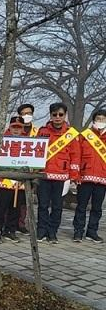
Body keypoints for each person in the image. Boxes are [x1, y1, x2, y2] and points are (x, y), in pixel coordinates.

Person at [37, 102, 80, 243]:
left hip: (62, 177)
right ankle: (41, 231)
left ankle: (52, 232)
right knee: (43, 205)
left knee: (57, 206)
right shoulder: (42, 131)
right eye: (54, 114)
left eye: (60, 114)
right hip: (44, 174)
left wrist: (74, 176)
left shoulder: (71, 134)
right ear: (50, 115)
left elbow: (75, 156)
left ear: (65, 115)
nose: (57, 117)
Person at [73, 108, 106, 243]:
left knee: (97, 208)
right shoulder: (85, 136)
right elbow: (77, 156)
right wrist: (76, 174)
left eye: (103, 119)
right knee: (81, 206)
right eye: (98, 119)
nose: (100, 121)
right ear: (93, 120)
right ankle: (78, 231)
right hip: (85, 177)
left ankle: (92, 232)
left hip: (102, 179)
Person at [0, 117, 26, 243]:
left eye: (19, 127)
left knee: (16, 207)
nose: (16, 130)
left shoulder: (27, 142)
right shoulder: (2, 140)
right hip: (5, 180)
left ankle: (10, 230)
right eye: (14, 127)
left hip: (20, 181)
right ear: (10, 127)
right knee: (1, 207)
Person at [15, 103, 38, 235]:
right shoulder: (15, 129)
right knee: (13, 198)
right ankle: (10, 222)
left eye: (29, 113)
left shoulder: (37, 131)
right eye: (24, 114)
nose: (26, 116)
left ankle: (21, 223)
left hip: (30, 169)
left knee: (25, 198)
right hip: (15, 167)